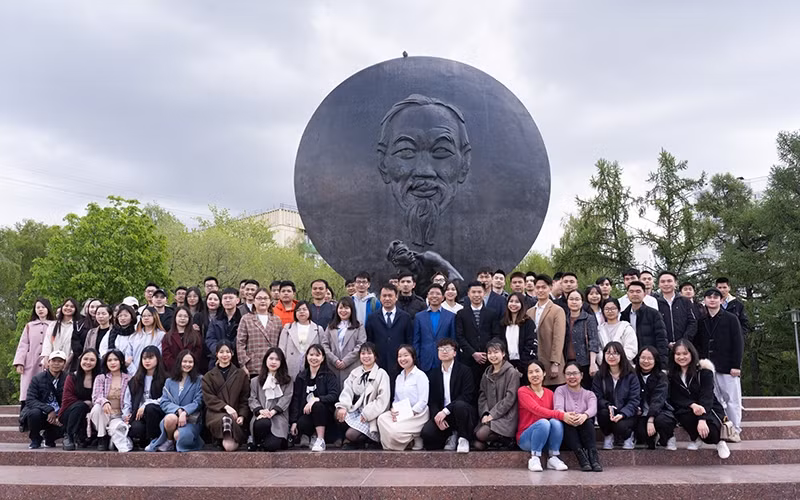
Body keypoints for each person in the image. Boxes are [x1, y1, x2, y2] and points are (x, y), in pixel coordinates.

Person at [695, 288, 744, 442]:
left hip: (728, 367)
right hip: (708, 368)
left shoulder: (731, 318)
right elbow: (697, 344)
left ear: (722, 301)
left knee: (732, 400)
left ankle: (734, 429)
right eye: (709, 297)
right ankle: (719, 428)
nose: (712, 299)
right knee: (714, 400)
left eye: (716, 297)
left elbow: (738, 343)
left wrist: (736, 365)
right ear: (704, 301)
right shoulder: (701, 321)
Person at [668, 339, 731, 459]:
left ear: (692, 353)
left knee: (710, 433)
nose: (681, 357)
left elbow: (707, 396)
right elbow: (676, 396)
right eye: (678, 354)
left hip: (708, 407)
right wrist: (692, 405)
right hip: (688, 408)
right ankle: (695, 438)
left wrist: (702, 418)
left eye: (685, 353)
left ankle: (719, 442)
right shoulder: (672, 375)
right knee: (683, 415)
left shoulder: (704, 372)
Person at [421, 338, 474, 452]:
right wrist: (436, 416)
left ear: (454, 353)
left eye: (448, 349)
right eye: (441, 349)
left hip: (461, 412)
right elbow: (432, 400)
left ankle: (463, 438)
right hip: (443, 415)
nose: (444, 352)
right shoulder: (434, 373)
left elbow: (467, 396)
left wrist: (445, 410)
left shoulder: (465, 371)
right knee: (427, 434)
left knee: (460, 405)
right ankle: (450, 435)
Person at [146, 350, 205, 452]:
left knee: (178, 436)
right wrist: (178, 410)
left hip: (190, 420)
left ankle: (179, 439)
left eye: (190, 362)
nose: (187, 364)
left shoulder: (199, 380)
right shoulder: (169, 381)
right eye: (184, 361)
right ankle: (169, 441)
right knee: (170, 419)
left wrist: (185, 411)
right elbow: (164, 402)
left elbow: (198, 402)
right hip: (174, 416)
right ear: (179, 362)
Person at [335, 342, 391, 449]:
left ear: (375, 356)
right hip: (356, 410)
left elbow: (382, 401)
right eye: (363, 353)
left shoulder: (381, 374)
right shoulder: (355, 372)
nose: (366, 356)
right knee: (338, 413)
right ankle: (354, 441)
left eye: (369, 353)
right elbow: (347, 390)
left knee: (350, 434)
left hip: (371, 414)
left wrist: (367, 414)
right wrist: (343, 406)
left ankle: (364, 440)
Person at [517, 359, 569, 472]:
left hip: (545, 439)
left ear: (544, 373)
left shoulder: (550, 393)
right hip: (526, 439)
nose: (534, 375)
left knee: (556, 422)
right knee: (544, 422)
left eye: (537, 371)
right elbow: (537, 410)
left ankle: (553, 457)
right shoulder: (523, 391)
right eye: (530, 372)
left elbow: (555, 414)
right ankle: (535, 458)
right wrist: (562, 415)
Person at [377, 345, 429, 451]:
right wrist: (394, 409)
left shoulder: (420, 375)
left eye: (406, 355)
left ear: (413, 357)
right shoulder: (399, 377)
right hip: (402, 412)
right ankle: (408, 440)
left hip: (417, 414)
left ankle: (415, 436)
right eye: (399, 356)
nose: (402, 359)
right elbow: (396, 399)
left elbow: (423, 401)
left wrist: (411, 412)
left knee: (394, 431)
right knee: (382, 418)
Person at [289, 344, 340, 451]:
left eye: (317, 355)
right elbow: (296, 400)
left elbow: (334, 395)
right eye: (311, 355)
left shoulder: (328, 375)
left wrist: (317, 399)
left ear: (323, 358)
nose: (314, 358)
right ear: (306, 357)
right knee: (301, 423)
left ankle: (320, 440)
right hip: (307, 415)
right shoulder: (301, 376)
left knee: (317, 406)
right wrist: (293, 421)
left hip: (326, 415)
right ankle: (312, 436)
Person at [203, 341, 251, 452]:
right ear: (216, 354)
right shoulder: (208, 376)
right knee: (225, 419)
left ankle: (226, 438)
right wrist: (225, 406)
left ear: (232, 353)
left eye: (228, 352)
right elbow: (209, 398)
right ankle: (219, 437)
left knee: (229, 447)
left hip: (236, 414)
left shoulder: (240, 374)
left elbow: (244, 399)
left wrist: (242, 415)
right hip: (215, 413)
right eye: (221, 352)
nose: (225, 355)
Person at [554, 362, 602, 472]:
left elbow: (593, 409)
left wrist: (584, 416)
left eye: (575, 373)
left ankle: (594, 458)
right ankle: (582, 458)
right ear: (564, 376)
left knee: (588, 421)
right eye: (568, 374)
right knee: (566, 423)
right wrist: (567, 416)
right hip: (568, 432)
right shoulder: (560, 390)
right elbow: (558, 408)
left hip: (584, 429)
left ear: (581, 375)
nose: (571, 377)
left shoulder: (589, 394)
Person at [592, 341, 640, 450]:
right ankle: (609, 436)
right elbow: (596, 396)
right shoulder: (600, 375)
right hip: (609, 411)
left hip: (627, 413)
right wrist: (607, 406)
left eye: (615, 353)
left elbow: (634, 400)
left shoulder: (631, 375)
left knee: (621, 426)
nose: (611, 356)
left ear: (621, 355)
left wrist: (623, 413)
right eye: (608, 353)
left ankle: (628, 436)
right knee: (603, 413)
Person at [473, 339, 519, 450]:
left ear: (503, 354)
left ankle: (507, 439)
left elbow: (510, 398)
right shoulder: (487, 373)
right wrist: (485, 414)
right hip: (489, 416)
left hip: (506, 416)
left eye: (496, 352)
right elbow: (482, 396)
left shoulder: (512, 372)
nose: (493, 356)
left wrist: (493, 414)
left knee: (481, 435)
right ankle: (500, 440)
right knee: (477, 444)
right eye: (490, 353)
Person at [456, 281, 502, 389]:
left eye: (479, 292)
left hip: (488, 358)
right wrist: (473, 353)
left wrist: (488, 352)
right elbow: (460, 336)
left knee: (488, 388)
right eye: (473, 292)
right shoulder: (461, 314)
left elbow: (496, 334)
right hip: (468, 359)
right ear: (468, 294)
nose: (476, 295)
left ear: (484, 293)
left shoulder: (492, 313)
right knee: (470, 388)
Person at [365, 283, 413, 382]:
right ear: (380, 298)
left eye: (390, 296)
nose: (387, 299)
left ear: (396, 297)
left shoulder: (405, 317)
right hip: (379, 363)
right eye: (384, 296)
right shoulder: (372, 318)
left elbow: (409, 340)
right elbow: (369, 341)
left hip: (400, 363)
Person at [249, 347, 294, 451]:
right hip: (260, 416)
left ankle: (274, 441)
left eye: (277, 360)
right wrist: (261, 411)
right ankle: (259, 441)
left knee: (271, 446)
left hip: (278, 417)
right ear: (266, 360)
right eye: (271, 358)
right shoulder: (255, 381)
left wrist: (273, 412)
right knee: (263, 423)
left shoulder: (287, 380)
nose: (274, 362)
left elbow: (286, 398)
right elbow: (252, 399)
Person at [121, 345, 166, 450]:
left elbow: (165, 398)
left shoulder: (165, 379)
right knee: (136, 428)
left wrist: (146, 405)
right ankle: (143, 442)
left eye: (150, 358)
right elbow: (127, 400)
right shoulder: (135, 380)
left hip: (158, 413)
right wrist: (126, 415)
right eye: (144, 358)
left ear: (157, 359)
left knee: (150, 408)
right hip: (139, 415)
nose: (147, 361)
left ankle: (153, 439)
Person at [14, 298, 54, 412]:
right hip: (31, 362)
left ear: (48, 309)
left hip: (48, 362)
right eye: (38, 307)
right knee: (27, 387)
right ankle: (24, 418)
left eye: (43, 307)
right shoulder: (29, 326)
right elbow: (23, 344)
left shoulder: (54, 325)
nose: (40, 309)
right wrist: (19, 363)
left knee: (47, 388)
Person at [527, 275, 566, 389]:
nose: (540, 290)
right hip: (535, 361)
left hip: (550, 360)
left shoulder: (557, 310)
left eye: (543, 287)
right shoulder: (529, 312)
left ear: (550, 287)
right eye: (537, 287)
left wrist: (555, 363)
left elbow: (558, 338)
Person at [22, 350, 67, 449]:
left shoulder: (68, 378)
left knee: (73, 414)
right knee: (34, 413)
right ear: (48, 362)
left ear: (64, 364)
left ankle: (50, 437)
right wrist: (49, 409)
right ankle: (35, 438)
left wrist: (60, 414)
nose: (56, 364)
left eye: (60, 361)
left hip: (60, 414)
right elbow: (30, 400)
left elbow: (71, 399)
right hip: (43, 413)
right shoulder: (37, 379)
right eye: (53, 360)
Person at [634, 345, 677, 450]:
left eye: (650, 358)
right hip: (641, 414)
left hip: (661, 412)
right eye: (643, 357)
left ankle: (668, 437)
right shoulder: (634, 375)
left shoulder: (661, 377)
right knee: (642, 433)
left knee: (663, 421)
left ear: (655, 360)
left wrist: (651, 419)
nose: (646, 361)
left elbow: (658, 399)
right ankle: (652, 438)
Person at [237, 287, 283, 378]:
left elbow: (280, 343)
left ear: (270, 301)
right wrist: (243, 364)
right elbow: (240, 343)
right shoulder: (246, 319)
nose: (262, 301)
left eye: (265, 298)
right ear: (254, 301)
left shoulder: (276, 320)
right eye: (259, 298)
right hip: (253, 366)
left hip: (272, 365)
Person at [59, 348, 100, 450]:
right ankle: (69, 436)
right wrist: (85, 404)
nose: (88, 362)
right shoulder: (72, 377)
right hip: (71, 413)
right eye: (85, 359)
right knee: (80, 406)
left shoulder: (100, 378)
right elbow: (68, 399)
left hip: (93, 411)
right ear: (80, 360)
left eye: (92, 360)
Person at [89, 349, 130, 451]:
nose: (112, 363)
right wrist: (104, 402)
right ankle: (102, 438)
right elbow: (96, 396)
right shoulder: (101, 378)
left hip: (119, 416)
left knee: (118, 443)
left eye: (115, 359)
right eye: (109, 360)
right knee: (97, 407)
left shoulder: (129, 378)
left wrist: (128, 414)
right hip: (104, 415)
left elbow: (131, 399)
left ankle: (111, 437)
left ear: (121, 361)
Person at [620, 281, 668, 367]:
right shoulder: (623, 315)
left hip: (649, 359)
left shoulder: (654, 314)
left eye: (638, 291)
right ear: (627, 294)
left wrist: (663, 364)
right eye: (631, 292)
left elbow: (662, 339)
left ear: (644, 294)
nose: (634, 294)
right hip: (630, 360)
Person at [322, 296, 367, 387]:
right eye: (341, 308)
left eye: (346, 308)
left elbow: (360, 344)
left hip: (352, 365)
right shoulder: (331, 326)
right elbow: (324, 344)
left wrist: (346, 361)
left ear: (352, 309)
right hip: (333, 366)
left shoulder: (358, 325)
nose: (343, 310)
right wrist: (334, 360)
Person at [413, 284, 457, 374]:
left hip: (444, 362)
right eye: (431, 293)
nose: (434, 296)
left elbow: (453, 340)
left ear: (443, 297)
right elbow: (416, 341)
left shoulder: (451, 316)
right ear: (427, 296)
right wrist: (416, 359)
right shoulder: (419, 317)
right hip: (424, 361)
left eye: (437, 293)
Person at [279, 301, 325, 379]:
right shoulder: (288, 327)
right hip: (290, 365)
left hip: (311, 365)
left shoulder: (318, 329)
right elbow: (282, 348)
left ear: (309, 311)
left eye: (304, 309)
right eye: (298, 310)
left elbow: (322, 349)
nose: (301, 312)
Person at [564, 290, 600, 388]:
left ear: (582, 302)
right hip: (566, 362)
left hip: (585, 363)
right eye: (571, 299)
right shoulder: (563, 318)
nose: (574, 302)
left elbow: (593, 341)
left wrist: (592, 363)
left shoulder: (589, 318)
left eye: (577, 299)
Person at [119, 306, 166, 376]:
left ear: (155, 317)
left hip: (153, 374)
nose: (146, 318)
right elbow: (128, 356)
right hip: (134, 373)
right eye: (143, 316)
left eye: (149, 315)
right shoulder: (134, 336)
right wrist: (134, 371)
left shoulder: (161, 335)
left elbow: (160, 354)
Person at [656, 271, 697, 346]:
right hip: (663, 347)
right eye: (663, 281)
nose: (666, 284)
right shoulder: (655, 303)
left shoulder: (685, 301)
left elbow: (692, 323)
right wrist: (665, 343)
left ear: (676, 283)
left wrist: (683, 341)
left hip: (684, 347)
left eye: (669, 281)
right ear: (659, 284)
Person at [501, 292, 538, 377]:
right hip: (506, 365)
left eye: (517, 302)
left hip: (524, 366)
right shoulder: (502, 323)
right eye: (511, 301)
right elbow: (500, 344)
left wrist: (520, 368)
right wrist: (507, 366)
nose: (513, 304)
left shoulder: (528, 323)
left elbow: (531, 345)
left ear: (522, 304)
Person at [206, 288, 242, 371]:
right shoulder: (215, 321)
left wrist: (229, 352)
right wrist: (220, 352)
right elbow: (210, 339)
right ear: (221, 301)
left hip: (236, 361)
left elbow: (241, 340)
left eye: (231, 298)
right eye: (225, 298)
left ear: (237, 300)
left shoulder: (243, 320)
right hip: (216, 360)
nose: (228, 300)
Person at [40, 298, 82, 370]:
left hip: (70, 363)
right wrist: (46, 358)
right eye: (66, 305)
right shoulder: (53, 325)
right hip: (52, 362)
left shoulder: (78, 325)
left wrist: (67, 362)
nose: (68, 308)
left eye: (72, 306)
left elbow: (75, 348)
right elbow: (48, 342)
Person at [162, 306, 204, 374]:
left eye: (185, 316)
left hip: (191, 371)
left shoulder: (196, 336)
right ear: (175, 318)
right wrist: (177, 368)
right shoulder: (167, 336)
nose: (182, 318)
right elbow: (166, 355)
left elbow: (198, 353)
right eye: (180, 316)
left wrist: (188, 364)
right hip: (173, 373)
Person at [597, 298, 638, 366]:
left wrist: (618, 360)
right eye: (607, 309)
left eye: (613, 308)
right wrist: (606, 360)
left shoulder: (626, 328)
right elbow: (598, 349)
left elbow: (631, 348)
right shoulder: (599, 329)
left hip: (625, 365)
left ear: (619, 310)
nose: (610, 311)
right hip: (604, 366)